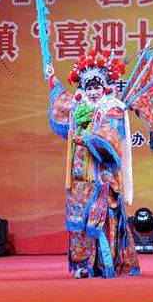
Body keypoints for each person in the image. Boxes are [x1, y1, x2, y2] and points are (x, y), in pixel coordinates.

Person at [45, 50, 140, 278]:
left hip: (102, 175)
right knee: (78, 221)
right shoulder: (78, 107)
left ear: (105, 87)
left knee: (104, 219)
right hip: (79, 176)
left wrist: (87, 137)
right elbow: (61, 102)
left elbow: (110, 138)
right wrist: (52, 78)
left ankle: (105, 263)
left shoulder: (114, 108)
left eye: (97, 87)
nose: (93, 92)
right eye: (88, 88)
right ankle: (82, 265)